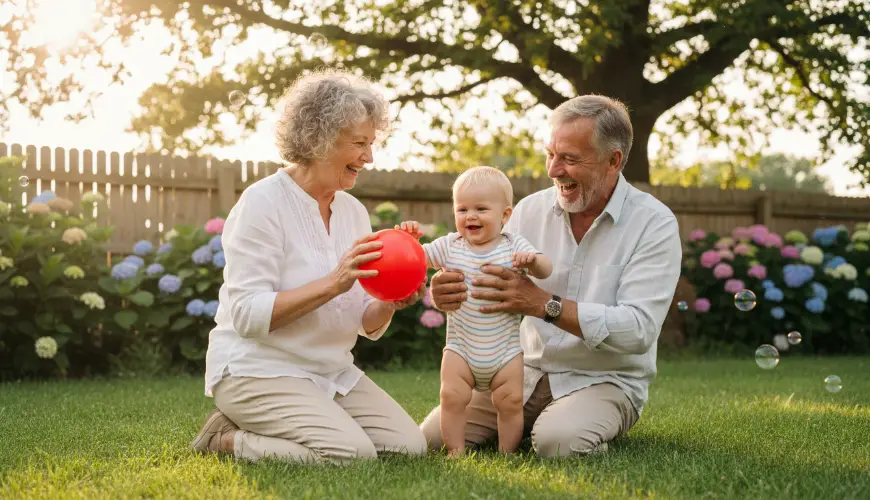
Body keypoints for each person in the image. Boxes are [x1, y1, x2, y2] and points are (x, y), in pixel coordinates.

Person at [421, 94, 683, 457]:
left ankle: (574, 424)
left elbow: (638, 329)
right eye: (551, 154)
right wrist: (448, 289)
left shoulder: (653, 224)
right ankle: (534, 420)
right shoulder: (528, 211)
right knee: (432, 440)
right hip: (516, 372)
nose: (553, 170)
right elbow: (477, 272)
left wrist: (545, 305)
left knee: (557, 443)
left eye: (570, 159)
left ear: (613, 161)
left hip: (602, 380)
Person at [189, 69, 428, 464]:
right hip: (258, 369)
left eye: (371, 143)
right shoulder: (261, 203)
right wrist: (332, 283)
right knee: (352, 455)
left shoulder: (353, 212)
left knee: (409, 448)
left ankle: (310, 419)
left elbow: (358, 319)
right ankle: (226, 439)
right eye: (359, 144)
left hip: (330, 370)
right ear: (320, 139)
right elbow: (247, 315)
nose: (369, 157)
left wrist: (390, 303)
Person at [397, 166, 553, 457]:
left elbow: (546, 269)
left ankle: (508, 452)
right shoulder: (450, 246)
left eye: (481, 208)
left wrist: (532, 261)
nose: (470, 216)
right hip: (461, 349)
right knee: (451, 396)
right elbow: (417, 259)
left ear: (505, 215)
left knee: (509, 402)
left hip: (505, 352)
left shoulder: (513, 245)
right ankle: (455, 450)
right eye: (462, 209)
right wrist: (408, 240)